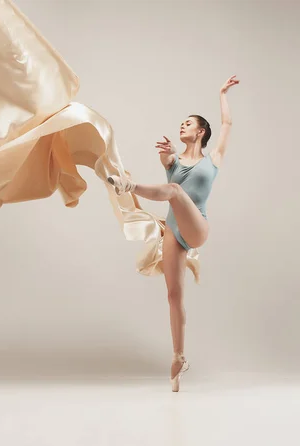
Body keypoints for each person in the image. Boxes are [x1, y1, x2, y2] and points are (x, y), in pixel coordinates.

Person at [108, 75, 240, 391]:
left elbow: (227, 125)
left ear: (201, 131)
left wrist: (222, 93)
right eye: (181, 123)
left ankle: (128, 186)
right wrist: (165, 155)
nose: (182, 127)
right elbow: (166, 159)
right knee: (173, 295)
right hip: (173, 234)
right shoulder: (172, 158)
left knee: (174, 190)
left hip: (197, 229)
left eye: (188, 124)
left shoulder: (214, 159)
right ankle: (179, 357)